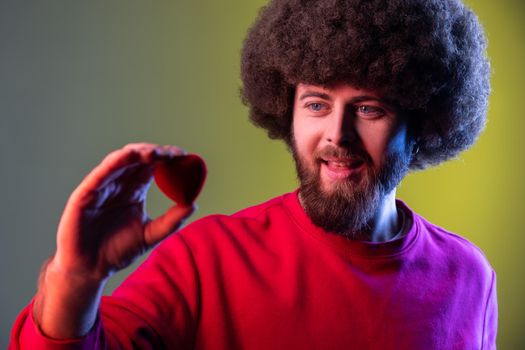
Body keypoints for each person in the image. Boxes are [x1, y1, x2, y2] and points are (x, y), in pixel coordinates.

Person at [10, 0, 497, 349]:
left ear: (422, 123)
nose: (337, 134)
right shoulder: (207, 260)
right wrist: (75, 278)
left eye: (368, 108)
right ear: (287, 111)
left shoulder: (471, 278)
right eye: (316, 104)